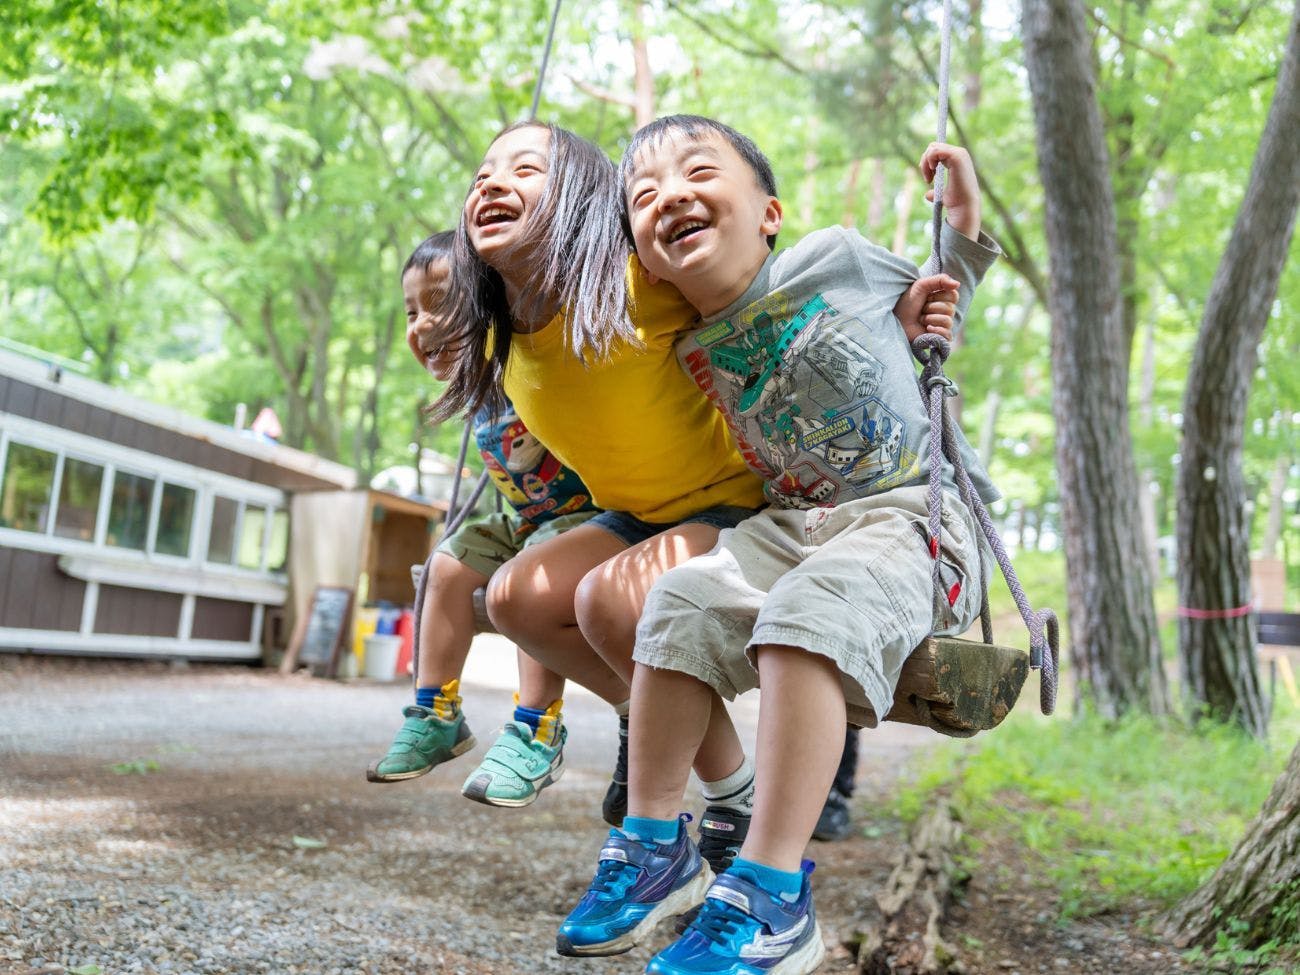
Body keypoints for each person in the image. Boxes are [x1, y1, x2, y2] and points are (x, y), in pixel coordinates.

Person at [559, 115, 1000, 974]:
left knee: (807, 607)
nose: (670, 196)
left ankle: (772, 892)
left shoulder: (834, 257)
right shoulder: (684, 346)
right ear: (644, 259)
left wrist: (959, 217)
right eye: (643, 197)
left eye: (697, 172)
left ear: (769, 211)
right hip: (793, 524)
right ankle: (656, 844)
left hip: (911, 512)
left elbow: (948, 282)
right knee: (676, 601)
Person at [430, 122, 769, 860]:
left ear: (585, 199)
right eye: (482, 174)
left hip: (734, 503)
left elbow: (754, 275)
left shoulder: (640, 282)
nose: (489, 183)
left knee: (608, 600)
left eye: (525, 169)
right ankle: (640, 712)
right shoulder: (497, 335)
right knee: (515, 596)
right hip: (636, 515)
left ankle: (735, 797)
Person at [366, 230, 612, 815]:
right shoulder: (476, 390)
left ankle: (538, 726)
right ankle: (437, 712)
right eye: (411, 311)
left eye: (441, 303)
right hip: (531, 521)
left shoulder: (530, 361)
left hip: (595, 520)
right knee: (448, 563)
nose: (421, 324)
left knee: (527, 581)